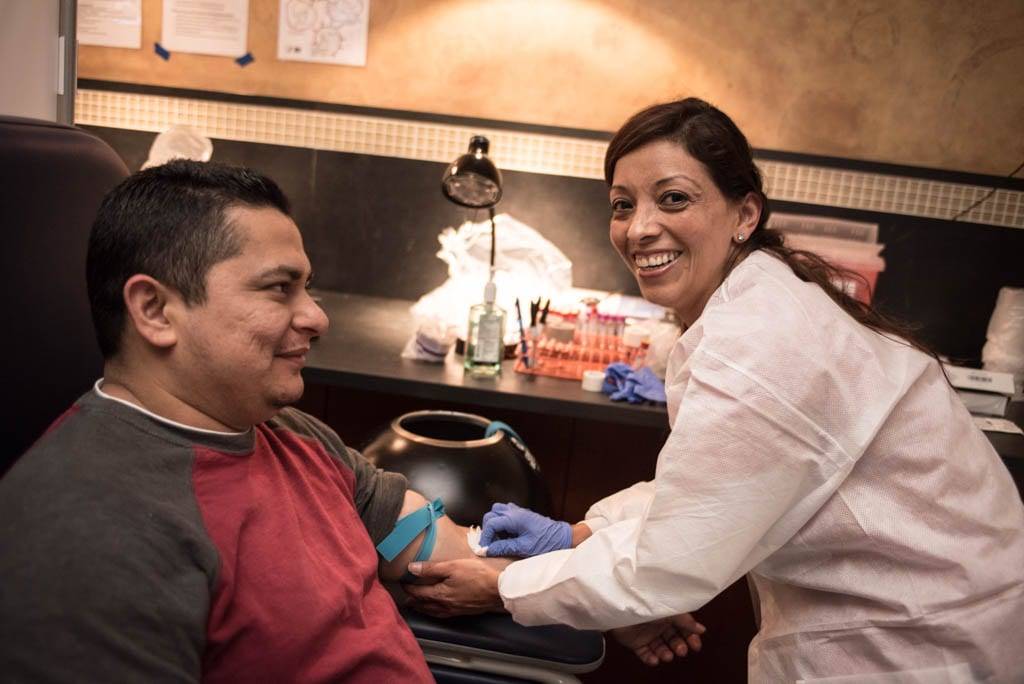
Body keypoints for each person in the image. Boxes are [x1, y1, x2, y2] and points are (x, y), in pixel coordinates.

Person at [403, 98, 1024, 682]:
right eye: (622, 204)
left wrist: (507, 586)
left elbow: (673, 558)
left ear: (744, 215)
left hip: (920, 643)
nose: (639, 228)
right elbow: (724, 479)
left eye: (672, 199)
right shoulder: (755, 302)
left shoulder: (761, 339)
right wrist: (583, 537)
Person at [0, 160, 500, 682]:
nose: (316, 318)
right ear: (154, 310)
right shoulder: (88, 535)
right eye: (279, 288)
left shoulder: (284, 431)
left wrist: (580, 551)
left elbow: (424, 540)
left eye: (307, 287)